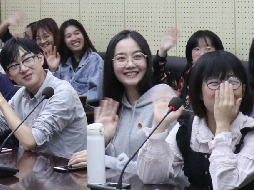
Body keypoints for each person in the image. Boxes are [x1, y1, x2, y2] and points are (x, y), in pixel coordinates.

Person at [137, 50, 254, 190]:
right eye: (214, 83)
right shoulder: (189, 128)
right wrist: (159, 127)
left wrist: (222, 124)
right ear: (199, 93)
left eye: (232, 82)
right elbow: (151, 178)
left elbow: (224, 185)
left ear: (243, 89)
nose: (224, 90)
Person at [67, 31, 179, 171]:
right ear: (111, 65)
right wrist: (103, 140)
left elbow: (165, 170)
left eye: (137, 56)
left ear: (147, 60)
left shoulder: (163, 101)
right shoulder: (114, 107)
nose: (130, 64)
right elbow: (101, 162)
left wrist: (104, 160)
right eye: (121, 58)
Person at [0, 38, 87, 158]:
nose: (23, 69)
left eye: (27, 60)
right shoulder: (21, 95)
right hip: (33, 165)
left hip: (67, 167)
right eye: (14, 65)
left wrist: (1, 101)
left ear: (40, 58)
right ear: (9, 75)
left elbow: (30, 141)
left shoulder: (63, 92)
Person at [153, 29, 224, 102]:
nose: (202, 53)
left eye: (208, 49)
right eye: (197, 49)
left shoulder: (224, 75)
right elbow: (158, 78)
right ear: (190, 55)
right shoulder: (185, 76)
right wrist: (163, 51)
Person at [52, 19, 104, 100]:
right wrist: (53, 69)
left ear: (83, 35)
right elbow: (54, 90)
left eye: (77, 33)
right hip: (63, 105)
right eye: (68, 36)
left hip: (86, 107)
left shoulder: (95, 60)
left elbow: (96, 93)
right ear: (64, 41)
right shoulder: (62, 62)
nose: (74, 38)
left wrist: (72, 100)